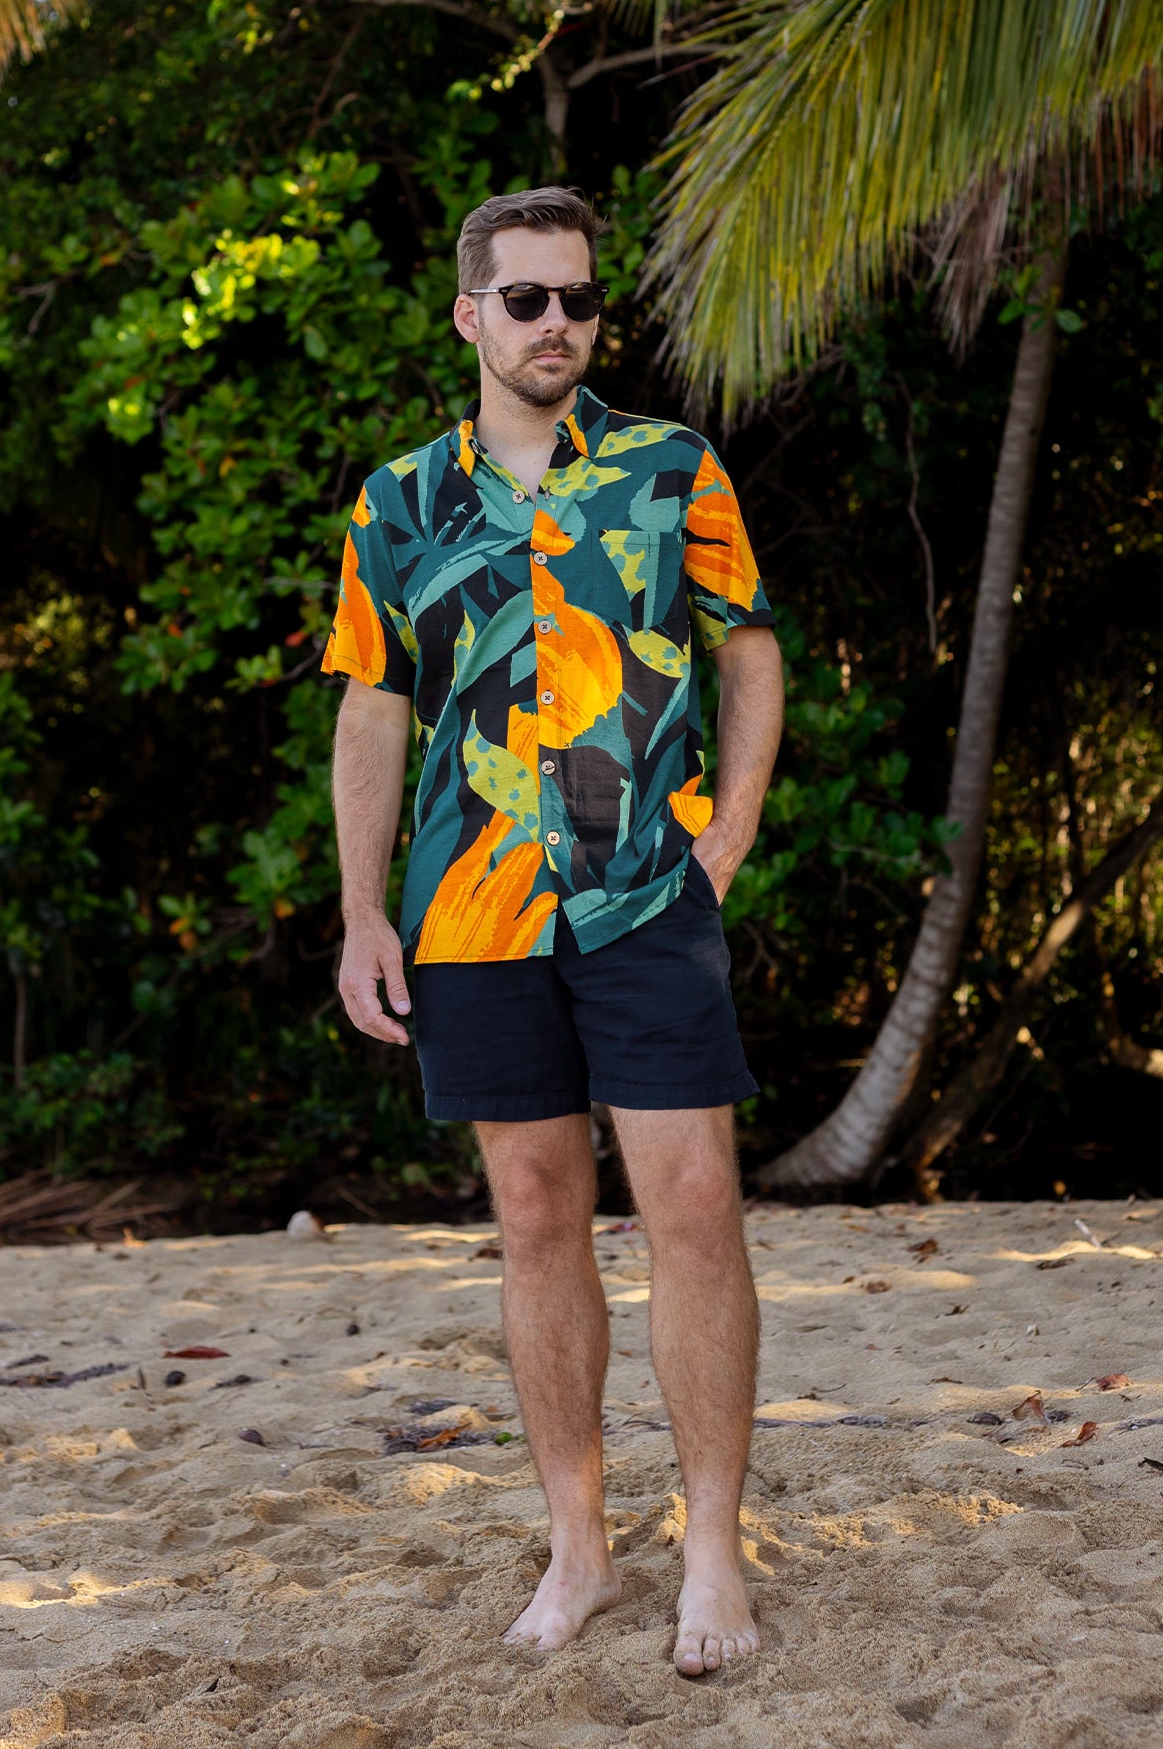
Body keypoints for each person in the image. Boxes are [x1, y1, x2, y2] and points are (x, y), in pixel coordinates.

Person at [323, 184, 785, 1677]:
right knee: (534, 1221)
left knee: (695, 1209)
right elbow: (372, 707)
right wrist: (358, 912)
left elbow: (750, 648)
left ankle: (712, 1546)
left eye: (578, 300)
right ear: (469, 315)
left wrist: (731, 830)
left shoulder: (674, 471)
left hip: (644, 891)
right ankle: (578, 1544)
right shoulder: (400, 504)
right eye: (525, 300)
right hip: (469, 905)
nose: (557, 325)